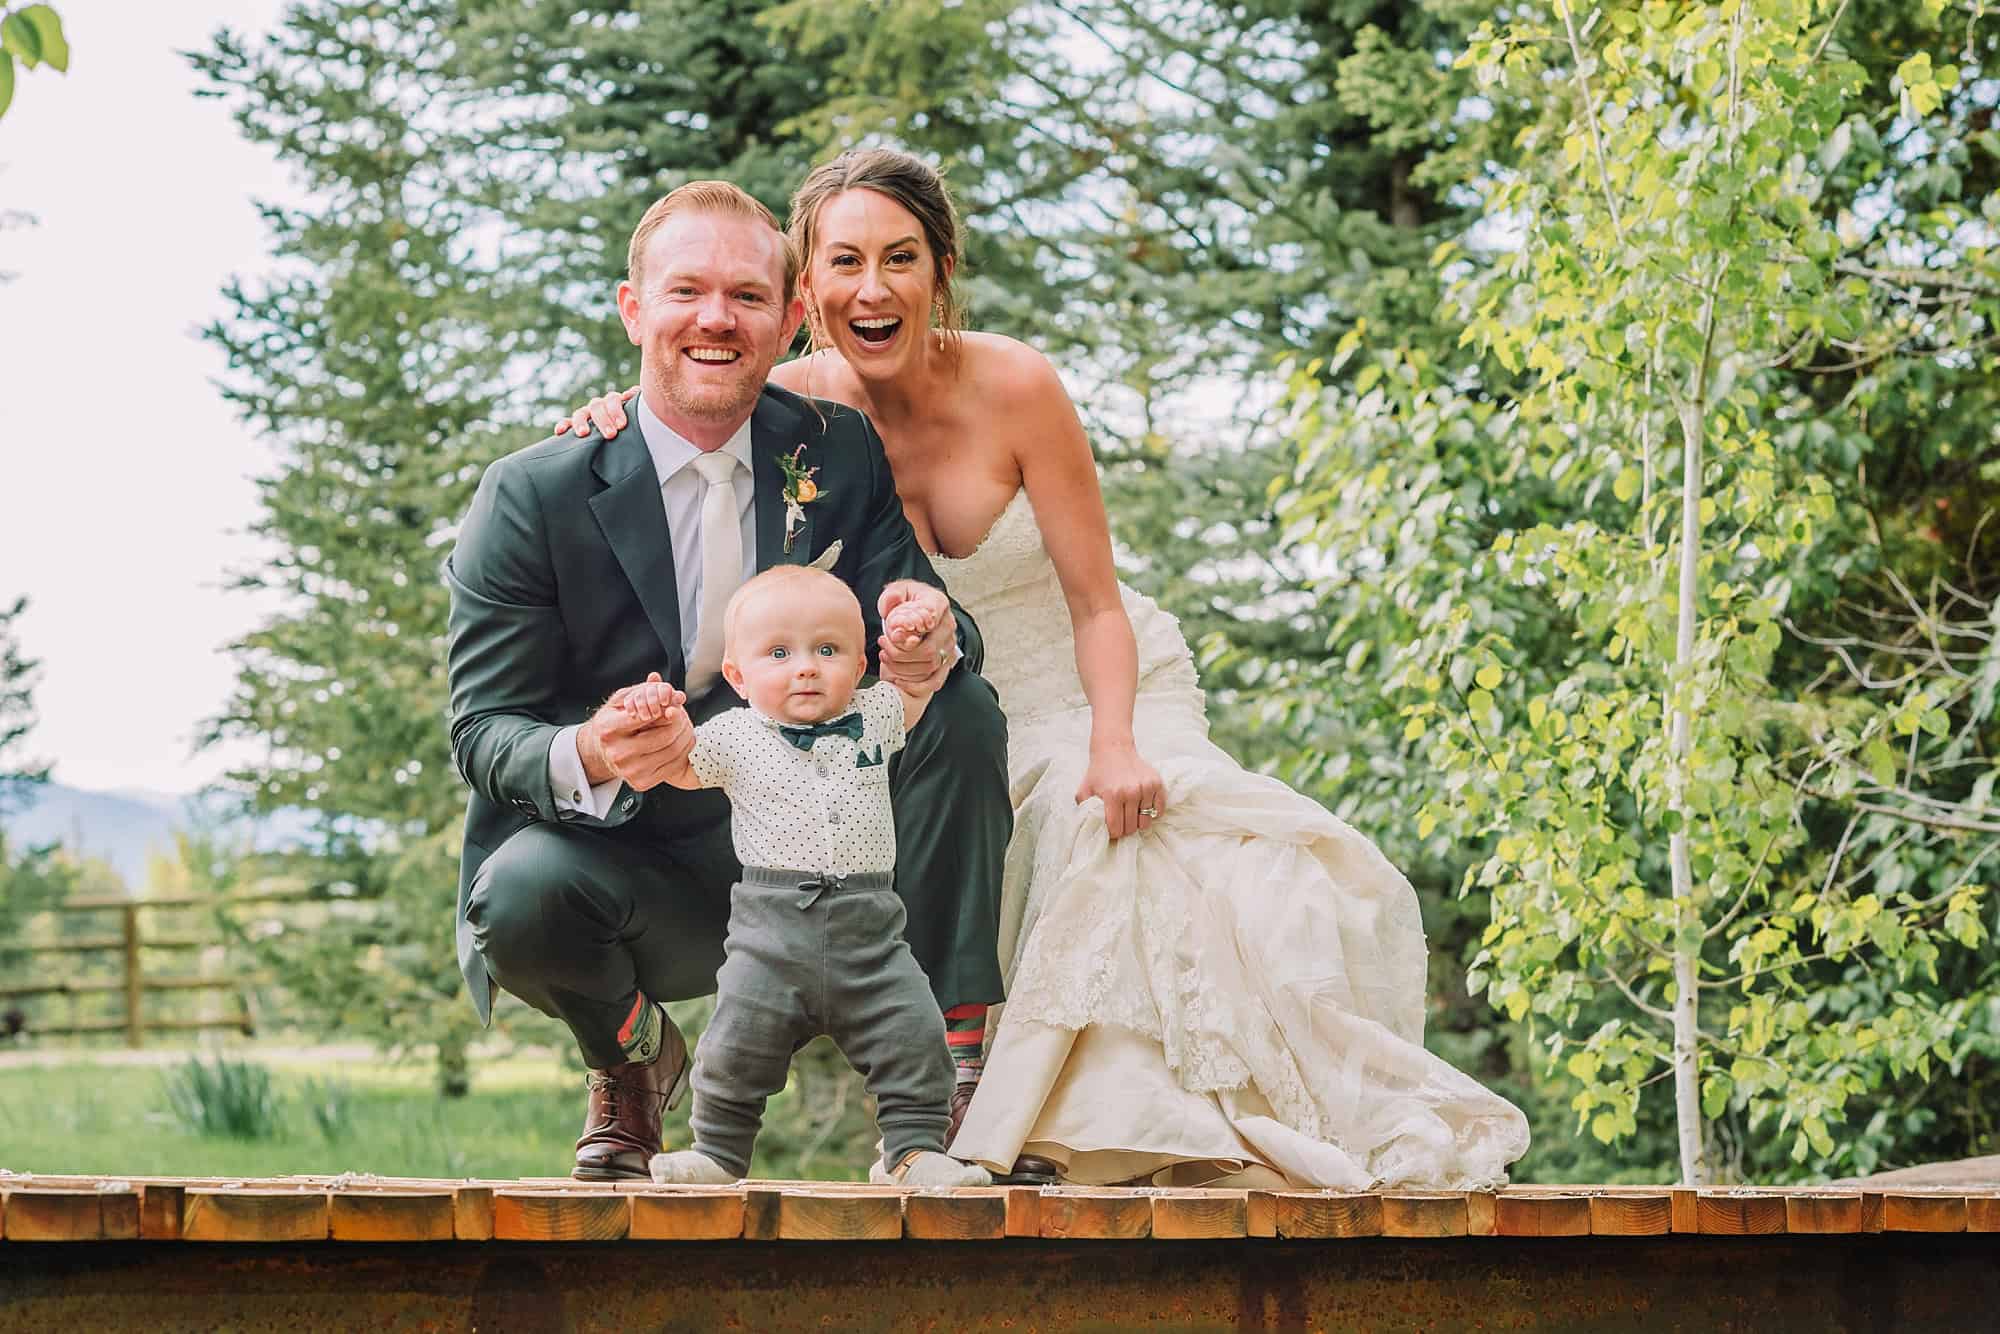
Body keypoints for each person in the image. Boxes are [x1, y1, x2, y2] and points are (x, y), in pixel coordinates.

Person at [558, 149, 1530, 1189]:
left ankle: (1212, 1120)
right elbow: (689, 385)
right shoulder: (790, 403)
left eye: (901, 258)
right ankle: (1054, 1121)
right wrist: (604, 415)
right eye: (843, 261)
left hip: (1090, 678)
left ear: (939, 271)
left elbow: (1097, 602)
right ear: (805, 289)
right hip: (931, 703)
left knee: (1146, 834)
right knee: (997, 771)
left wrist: (1114, 741)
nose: (872, 288)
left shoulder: (1015, 383)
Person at [445, 179, 1013, 1182]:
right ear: (634, 309)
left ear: (788, 317)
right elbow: (484, 728)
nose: (717, 317)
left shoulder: (831, 451)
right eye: (686, 292)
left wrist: (926, 637)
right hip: (628, 867)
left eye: (747, 296)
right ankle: (631, 1060)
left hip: (814, 851)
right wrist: (592, 748)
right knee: (519, 896)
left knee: (959, 707)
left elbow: (923, 605)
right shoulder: (533, 492)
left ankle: (951, 1068)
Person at [620, 566, 990, 1188]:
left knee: (916, 1036)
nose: (807, 668)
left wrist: (914, 627)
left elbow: (921, 676)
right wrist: (654, 716)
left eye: (828, 650)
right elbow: (678, 765)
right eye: (779, 653)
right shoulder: (732, 734)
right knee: (733, 1048)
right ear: (737, 676)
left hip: (871, 933)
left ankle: (912, 1150)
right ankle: (717, 1153)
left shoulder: (876, 713)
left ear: (859, 662)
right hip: (770, 937)